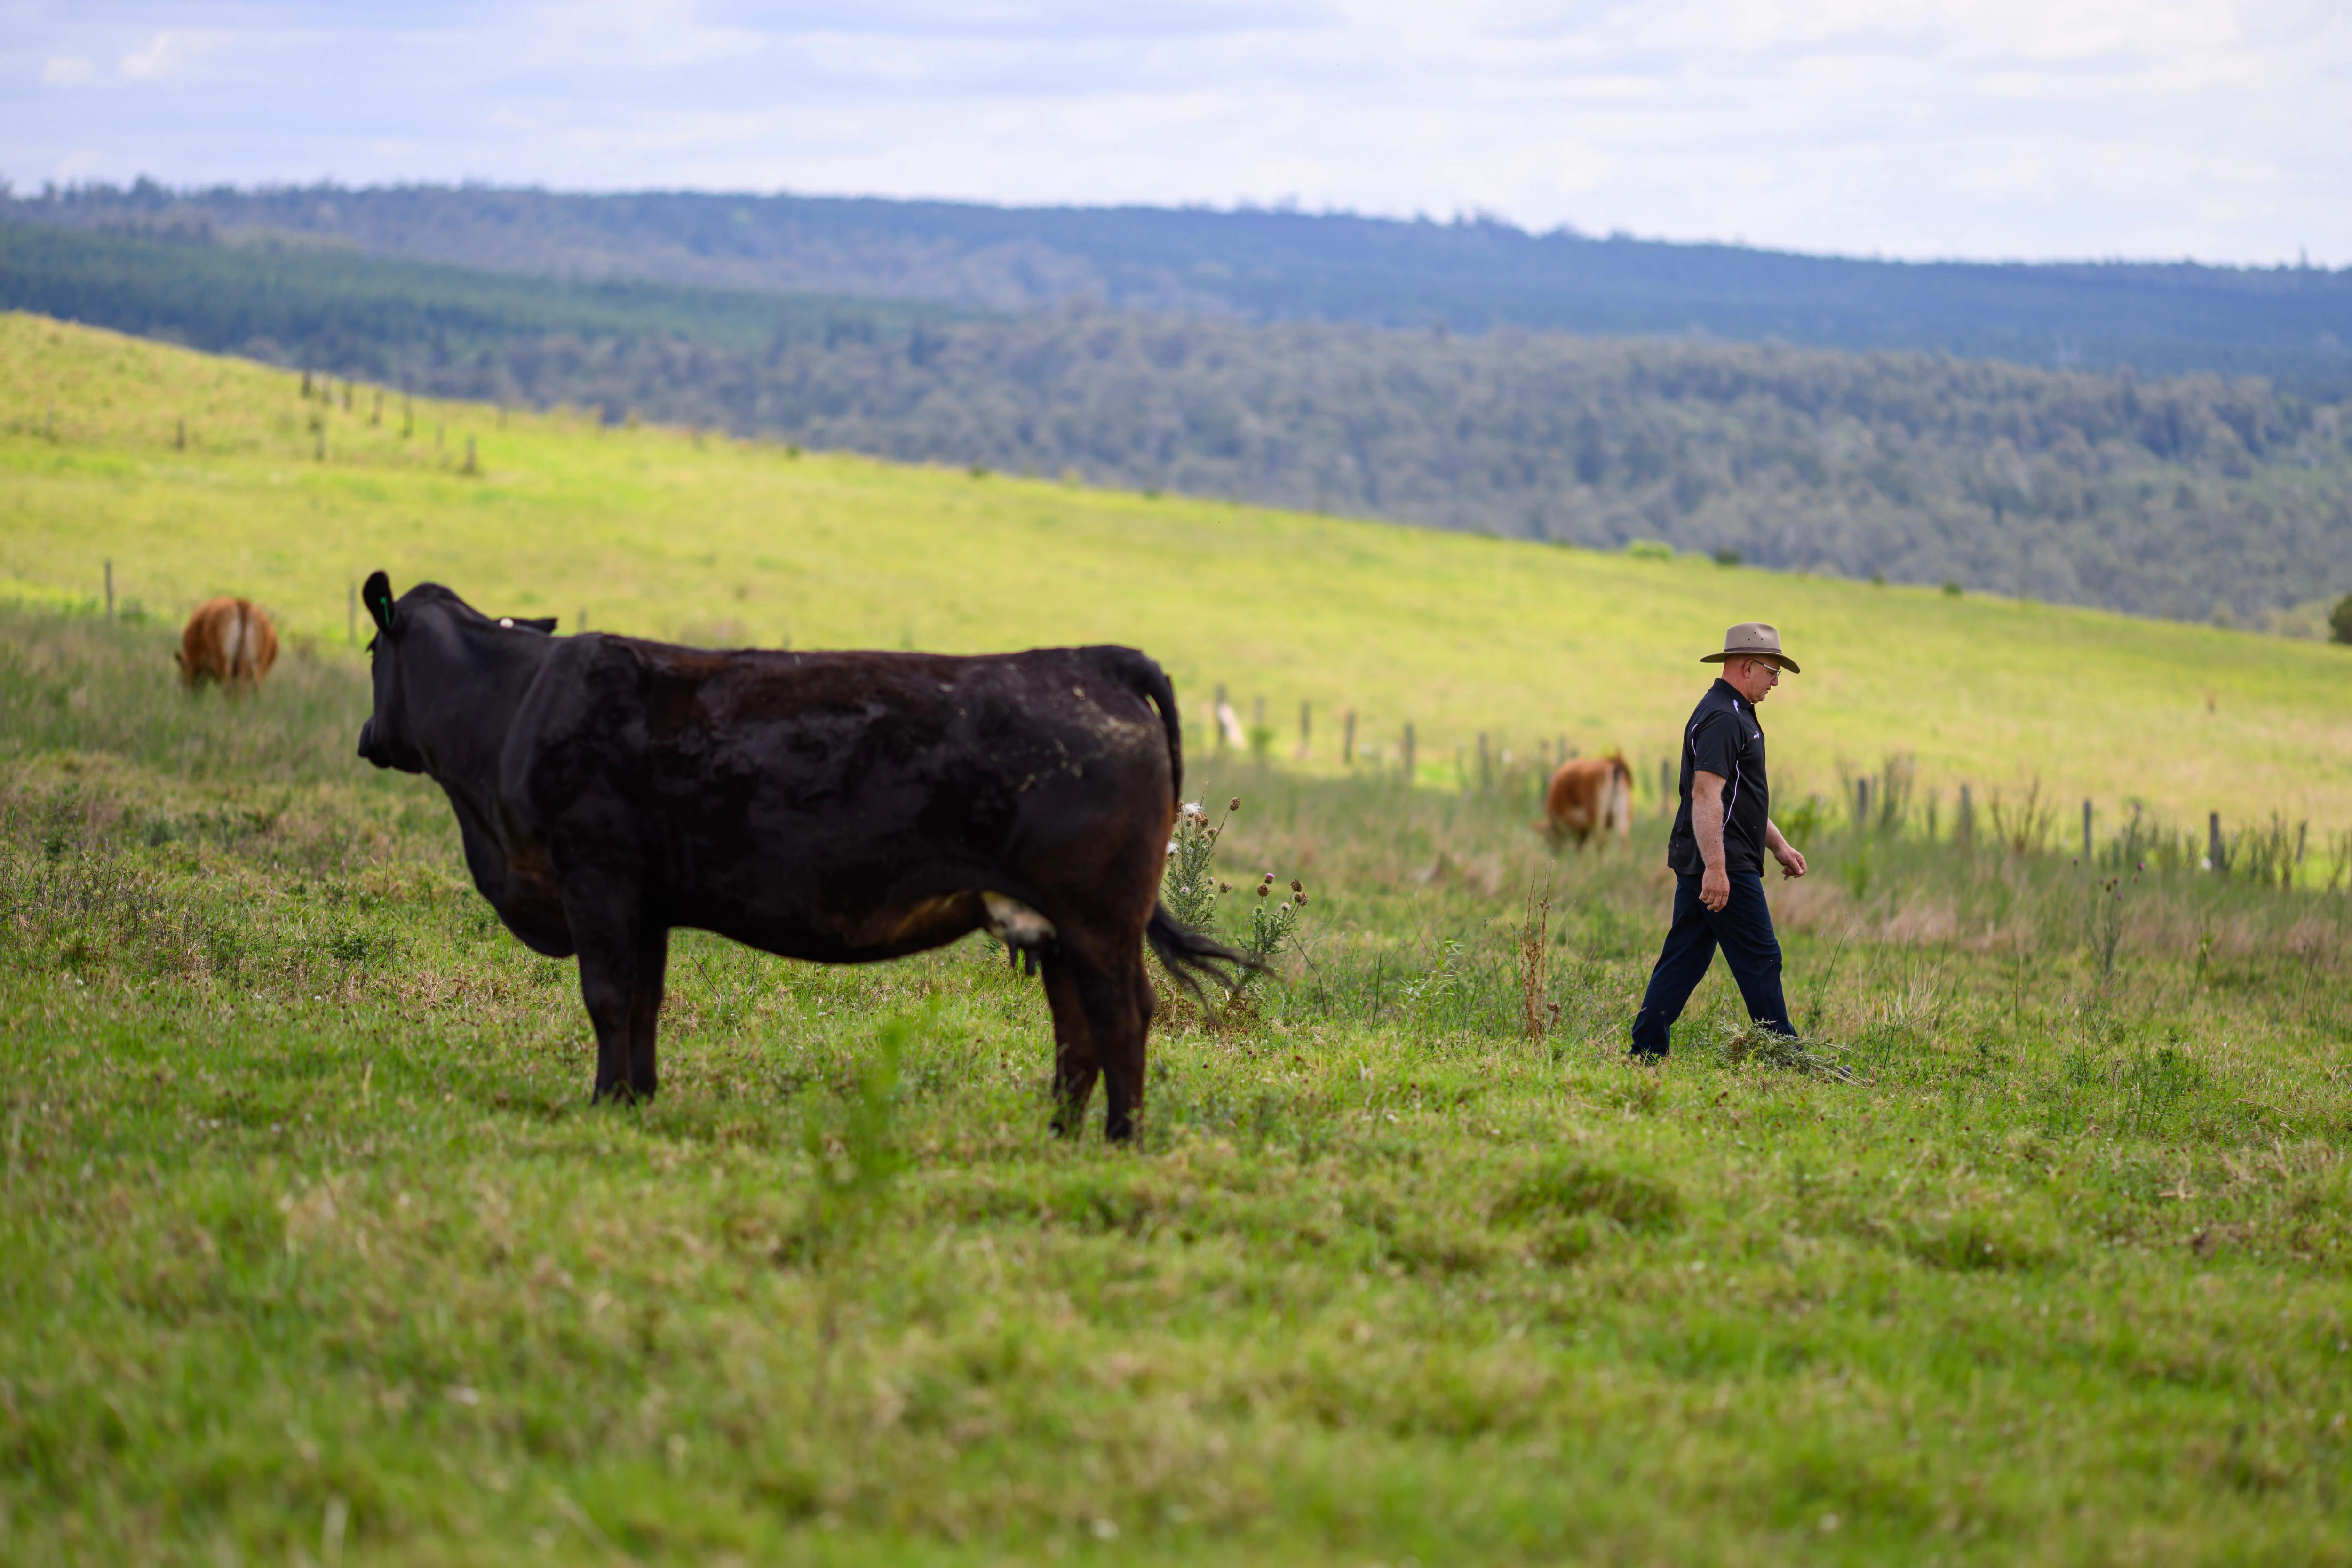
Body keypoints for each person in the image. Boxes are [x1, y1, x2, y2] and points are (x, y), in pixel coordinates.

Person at [1629, 623, 1809, 1062]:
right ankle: (1785, 1055)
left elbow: (1739, 799)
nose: (1776, 682)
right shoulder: (1726, 718)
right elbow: (1706, 794)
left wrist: (1778, 845)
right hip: (1723, 862)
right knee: (1762, 956)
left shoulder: (1733, 711)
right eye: (1771, 671)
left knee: (1685, 957)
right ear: (1746, 666)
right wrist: (1717, 868)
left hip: (1714, 858)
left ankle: (1646, 1048)